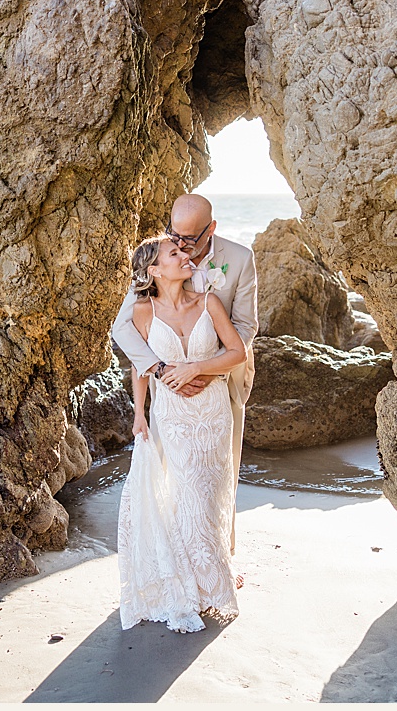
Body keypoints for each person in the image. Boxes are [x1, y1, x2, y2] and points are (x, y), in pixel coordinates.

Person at [108, 193, 258, 548]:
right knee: (170, 473)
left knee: (221, 473)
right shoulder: (162, 256)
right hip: (170, 389)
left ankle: (221, 556)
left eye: (189, 239)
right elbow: (125, 327)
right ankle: (174, 556)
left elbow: (246, 327)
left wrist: (206, 370)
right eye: (174, 235)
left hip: (221, 382)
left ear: (211, 229)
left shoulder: (239, 259)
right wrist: (160, 370)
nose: (180, 245)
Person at [115, 233, 248, 632]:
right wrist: (140, 413)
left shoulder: (209, 301)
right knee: (186, 492)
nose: (184, 255)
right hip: (171, 415)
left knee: (211, 492)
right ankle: (197, 584)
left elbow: (236, 351)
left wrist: (196, 369)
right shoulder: (141, 311)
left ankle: (213, 572)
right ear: (154, 270)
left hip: (213, 413)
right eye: (175, 253)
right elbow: (140, 364)